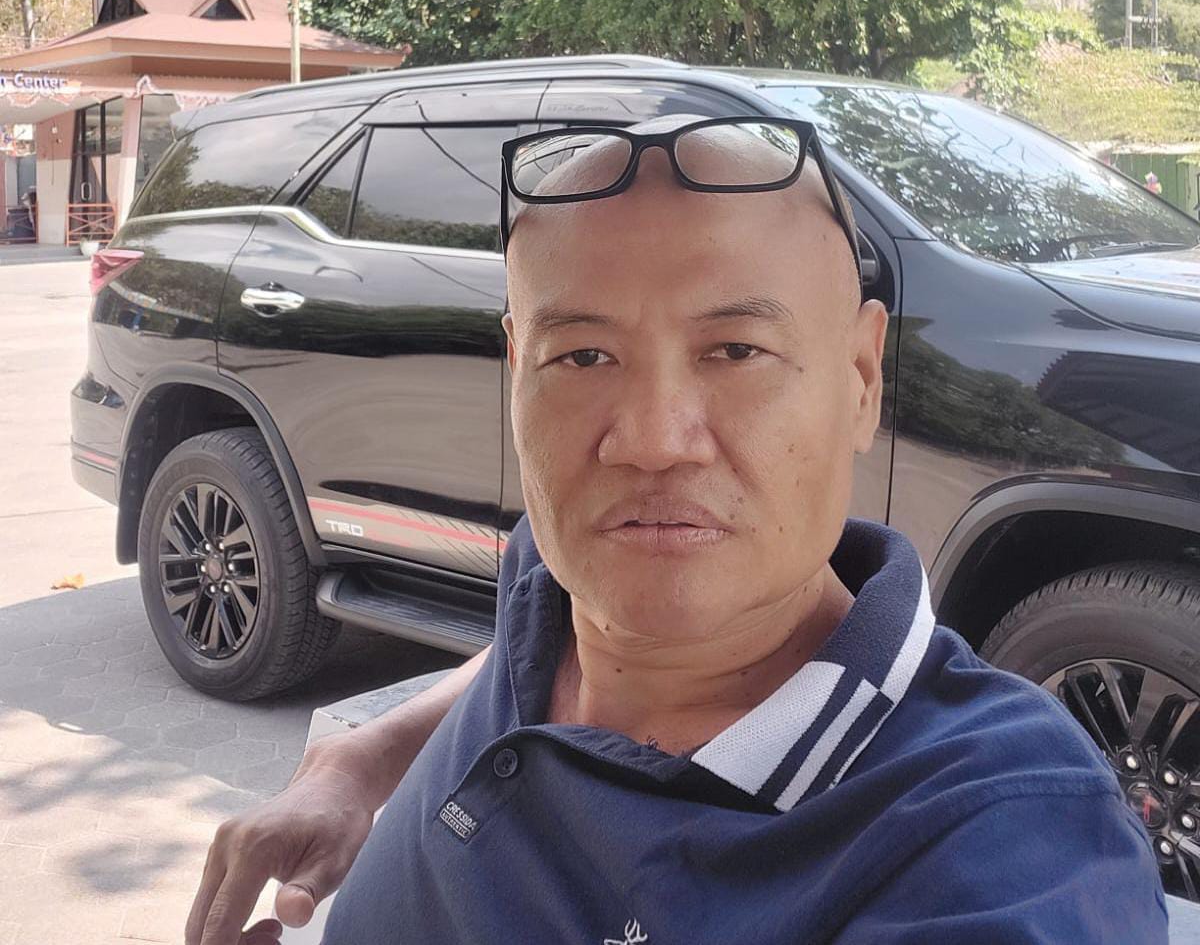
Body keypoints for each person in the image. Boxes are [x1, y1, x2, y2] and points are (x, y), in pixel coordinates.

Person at [188, 115, 1167, 945]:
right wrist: (364, 758)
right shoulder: (564, 571)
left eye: (735, 349)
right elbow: (524, 642)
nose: (653, 442)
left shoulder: (999, 836)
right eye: (582, 357)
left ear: (862, 378)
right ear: (517, 369)